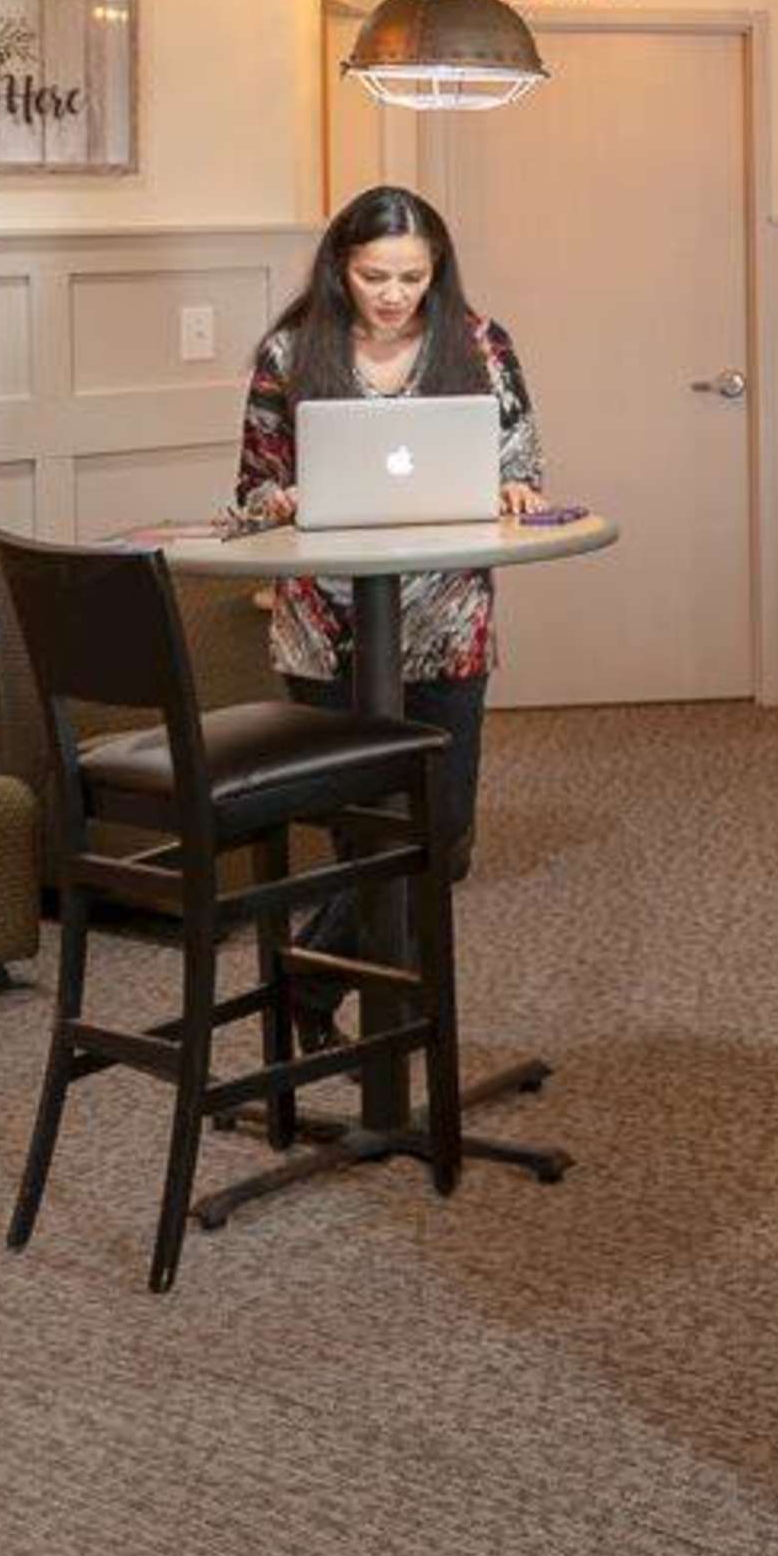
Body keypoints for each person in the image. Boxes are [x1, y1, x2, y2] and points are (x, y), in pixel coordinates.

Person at [232, 186, 546, 1039]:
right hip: (323, 628)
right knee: (364, 835)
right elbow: (252, 488)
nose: (394, 293)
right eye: (376, 274)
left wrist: (516, 488)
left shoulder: (479, 343)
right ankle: (387, 1016)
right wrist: (281, 499)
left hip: (447, 622)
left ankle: (312, 987)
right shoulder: (292, 348)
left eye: (412, 275)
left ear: (436, 271)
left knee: (440, 837)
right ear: (342, 266)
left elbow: (521, 464)